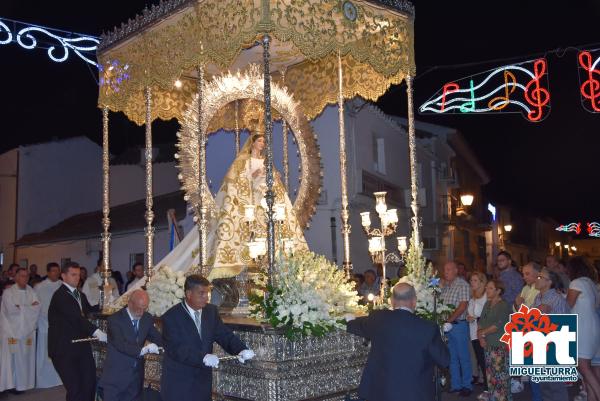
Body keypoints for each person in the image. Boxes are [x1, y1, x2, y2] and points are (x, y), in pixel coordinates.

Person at [148, 128, 308, 283]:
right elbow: (235, 184)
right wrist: (254, 176)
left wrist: (274, 177)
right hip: (249, 207)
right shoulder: (243, 162)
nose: (262, 144)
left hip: (265, 208)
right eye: (259, 140)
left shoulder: (267, 162)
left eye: (264, 141)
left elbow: (273, 184)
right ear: (252, 143)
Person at [346, 282, 449, 401]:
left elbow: (354, 326)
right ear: (414, 301)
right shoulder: (428, 328)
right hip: (415, 393)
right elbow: (444, 360)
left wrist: (349, 319)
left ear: (392, 301)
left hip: (380, 392)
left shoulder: (377, 318)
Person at [160, 274, 255, 401]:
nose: (206, 297)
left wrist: (241, 349)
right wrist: (203, 357)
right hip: (179, 382)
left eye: (208, 293)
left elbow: (224, 335)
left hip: (202, 382)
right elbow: (178, 349)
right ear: (188, 294)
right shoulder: (171, 317)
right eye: (201, 293)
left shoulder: (210, 311)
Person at [48, 262, 107, 401]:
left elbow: (90, 311)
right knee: (75, 388)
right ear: (63, 276)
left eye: (79, 275)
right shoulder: (60, 296)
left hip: (81, 345)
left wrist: (109, 304)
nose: (77, 278)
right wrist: (97, 332)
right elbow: (76, 318)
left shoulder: (79, 294)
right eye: (73, 275)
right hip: (64, 348)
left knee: (89, 382)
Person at [100, 289, 163, 401]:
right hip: (116, 377)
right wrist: (144, 350)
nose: (141, 312)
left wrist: (172, 345)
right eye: (139, 308)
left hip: (136, 377)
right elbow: (120, 344)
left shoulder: (146, 318)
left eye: (145, 308)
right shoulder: (115, 320)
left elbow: (158, 338)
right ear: (129, 303)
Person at [0, 267, 41, 393]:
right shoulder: (9, 292)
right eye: (22, 276)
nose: (25, 278)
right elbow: (11, 310)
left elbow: (37, 307)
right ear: (16, 277)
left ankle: (23, 384)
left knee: (25, 358)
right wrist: (28, 307)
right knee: (11, 359)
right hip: (11, 330)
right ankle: (10, 385)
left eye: (27, 276)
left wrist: (22, 308)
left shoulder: (31, 291)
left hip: (27, 332)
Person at [533, 268, 570, 401]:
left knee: (555, 386)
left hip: (555, 346)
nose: (536, 279)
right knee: (545, 386)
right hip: (541, 345)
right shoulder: (538, 297)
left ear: (549, 282)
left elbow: (563, 326)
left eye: (540, 277)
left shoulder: (555, 298)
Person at [566, 257, 600, 401]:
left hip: (583, 327)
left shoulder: (576, 283)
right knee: (590, 368)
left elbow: (567, 305)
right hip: (593, 325)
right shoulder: (591, 283)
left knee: (584, 367)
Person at [441, 261, 473, 396]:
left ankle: (467, 385)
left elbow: (462, 306)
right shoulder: (446, 287)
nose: (446, 272)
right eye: (445, 270)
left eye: (448, 269)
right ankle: (456, 385)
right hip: (447, 327)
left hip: (458, 325)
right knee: (452, 357)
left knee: (463, 357)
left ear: (455, 271)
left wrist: (449, 320)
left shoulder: (463, 285)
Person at [477, 279, 512, 401]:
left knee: (500, 376)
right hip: (488, 345)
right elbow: (480, 322)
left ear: (498, 291)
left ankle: (502, 398)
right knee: (490, 375)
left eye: (490, 288)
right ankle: (493, 398)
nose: (487, 290)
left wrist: (482, 333)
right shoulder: (487, 304)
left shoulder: (504, 305)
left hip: (499, 345)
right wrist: (480, 336)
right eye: (487, 287)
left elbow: (498, 325)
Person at [512, 261, 542, 401]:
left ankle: (538, 397)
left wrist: (521, 304)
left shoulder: (540, 289)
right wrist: (518, 304)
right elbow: (517, 310)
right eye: (523, 274)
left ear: (538, 274)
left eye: (527, 274)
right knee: (530, 368)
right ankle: (536, 396)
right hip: (525, 329)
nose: (524, 277)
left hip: (537, 331)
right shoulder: (525, 288)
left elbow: (533, 310)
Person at [34, 262, 63, 388]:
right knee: (44, 353)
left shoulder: (62, 285)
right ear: (47, 272)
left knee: (59, 352)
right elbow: (36, 306)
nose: (55, 273)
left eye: (57, 271)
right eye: (53, 271)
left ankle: (59, 378)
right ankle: (43, 380)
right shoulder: (39, 287)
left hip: (60, 325)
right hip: (45, 325)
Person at [467, 271, 488, 390]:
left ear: (481, 282)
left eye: (475, 280)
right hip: (473, 333)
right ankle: (487, 388)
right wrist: (468, 317)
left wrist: (475, 317)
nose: (472, 283)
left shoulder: (486, 297)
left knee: (485, 362)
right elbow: (470, 313)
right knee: (480, 361)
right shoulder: (473, 297)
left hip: (483, 333)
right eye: (471, 280)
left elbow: (486, 315)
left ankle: (489, 389)